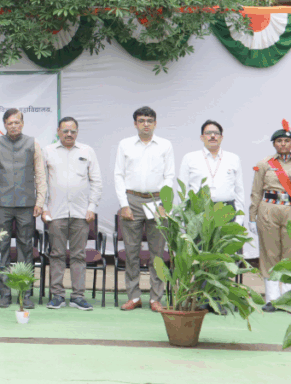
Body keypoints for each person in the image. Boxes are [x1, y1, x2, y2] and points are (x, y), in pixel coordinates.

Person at [0, 108, 47, 309]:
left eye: (17, 122)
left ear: (22, 123)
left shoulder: (33, 143)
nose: (14, 126)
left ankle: (25, 294)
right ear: (5, 125)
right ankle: (5, 294)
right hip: (2, 205)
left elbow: (40, 175)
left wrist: (40, 202)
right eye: (10, 123)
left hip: (27, 205)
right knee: (2, 248)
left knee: (26, 249)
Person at [114, 106, 174, 312]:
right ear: (135, 124)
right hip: (132, 200)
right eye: (141, 120)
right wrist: (124, 204)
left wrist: (165, 204)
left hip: (157, 200)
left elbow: (169, 176)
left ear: (155, 123)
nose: (146, 124)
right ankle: (134, 296)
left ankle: (156, 298)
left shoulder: (165, 145)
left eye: (149, 120)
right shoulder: (125, 145)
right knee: (131, 252)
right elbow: (118, 175)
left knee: (157, 253)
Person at [42, 117, 102, 311]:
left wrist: (91, 207)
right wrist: (43, 208)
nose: (69, 134)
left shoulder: (87, 151)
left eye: (73, 131)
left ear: (77, 132)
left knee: (78, 255)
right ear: (58, 131)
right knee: (57, 254)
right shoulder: (48, 151)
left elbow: (97, 181)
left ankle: (78, 296)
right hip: (55, 212)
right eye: (65, 130)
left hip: (81, 213)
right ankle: (57, 295)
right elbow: (41, 183)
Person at [250, 120, 291, 312]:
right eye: (279, 141)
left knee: (289, 254)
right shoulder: (264, 164)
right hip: (269, 209)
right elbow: (256, 191)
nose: (283, 144)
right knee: (270, 254)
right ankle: (272, 298)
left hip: (289, 209)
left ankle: (287, 298)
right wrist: (252, 216)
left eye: (286, 141)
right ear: (274, 144)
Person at [178, 120, 245, 220]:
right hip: (198, 211)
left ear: (221, 137)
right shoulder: (189, 158)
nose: (213, 136)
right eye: (208, 133)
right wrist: (184, 217)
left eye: (216, 133)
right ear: (202, 137)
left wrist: (239, 218)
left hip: (226, 210)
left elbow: (239, 190)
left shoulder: (233, 158)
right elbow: (182, 189)